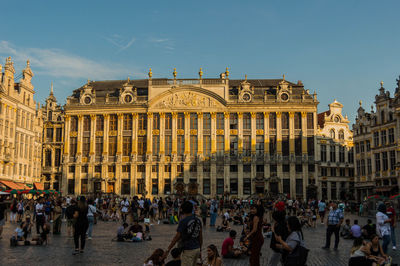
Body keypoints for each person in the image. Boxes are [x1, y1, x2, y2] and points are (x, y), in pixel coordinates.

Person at [164, 201, 203, 266]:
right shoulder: (198, 220)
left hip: (188, 250)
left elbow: (177, 237)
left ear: (182, 210)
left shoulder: (183, 221)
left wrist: (168, 249)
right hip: (197, 249)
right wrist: (200, 249)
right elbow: (200, 237)